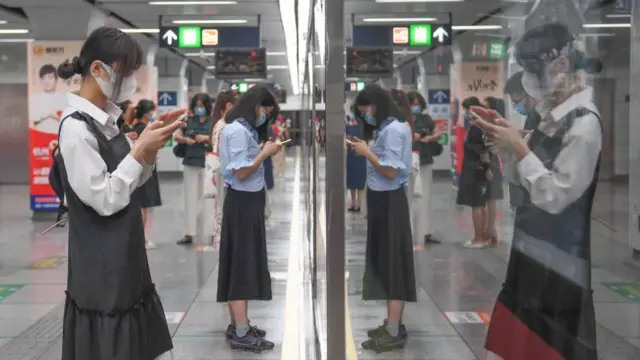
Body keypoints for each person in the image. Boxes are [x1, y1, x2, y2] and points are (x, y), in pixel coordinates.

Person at [53, 26, 185, 360]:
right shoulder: (76, 129)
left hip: (125, 252)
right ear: (97, 69)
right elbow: (105, 198)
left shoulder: (108, 121)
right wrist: (138, 150)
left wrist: (150, 149)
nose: (129, 81)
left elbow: (130, 184)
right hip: (100, 264)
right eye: (124, 72)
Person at [474, 22, 602, 360]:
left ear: (561, 67)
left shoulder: (584, 125)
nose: (530, 81)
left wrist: (519, 148)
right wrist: (507, 143)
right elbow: (524, 180)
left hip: (560, 264)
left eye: (534, 70)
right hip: (530, 252)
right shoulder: (551, 116)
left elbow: (554, 196)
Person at [349, 84, 416, 353]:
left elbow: (390, 172)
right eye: (361, 112)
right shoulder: (385, 130)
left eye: (367, 109)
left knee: (393, 264)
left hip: (390, 202)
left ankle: (394, 329)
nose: (365, 115)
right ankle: (391, 322)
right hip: (380, 201)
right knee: (384, 262)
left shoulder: (394, 130)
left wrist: (367, 153)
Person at [217, 84, 282, 352]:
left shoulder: (242, 130)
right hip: (243, 203)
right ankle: (241, 332)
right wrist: (264, 155)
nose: (265, 116)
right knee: (242, 266)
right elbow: (242, 172)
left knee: (242, 262)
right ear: (254, 104)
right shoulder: (238, 131)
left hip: (247, 202)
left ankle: (240, 325)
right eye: (265, 110)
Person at [175, 93, 214, 245]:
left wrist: (203, 138)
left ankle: (210, 232)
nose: (199, 108)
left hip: (208, 162)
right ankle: (189, 233)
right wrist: (186, 140)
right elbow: (177, 136)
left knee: (209, 199)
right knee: (189, 198)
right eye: (197, 105)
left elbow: (218, 137)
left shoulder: (213, 121)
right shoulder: (189, 120)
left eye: (202, 105)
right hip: (190, 161)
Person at [456, 96, 493, 248]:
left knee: (476, 204)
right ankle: (482, 236)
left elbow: (484, 151)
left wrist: (487, 168)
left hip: (475, 169)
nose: (464, 113)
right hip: (478, 168)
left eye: (466, 109)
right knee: (481, 203)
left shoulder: (477, 129)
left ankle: (478, 238)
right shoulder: (479, 127)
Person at [407, 91, 444, 244]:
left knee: (426, 197)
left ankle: (425, 231)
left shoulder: (426, 119)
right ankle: (409, 231)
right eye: (412, 104)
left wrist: (430, 137)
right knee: (409, 197)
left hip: (425, 160)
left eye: (417, 104)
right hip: (408, 161)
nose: (415, 107)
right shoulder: (403, 120)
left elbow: (438, 133)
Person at [503, 71, 543, 209]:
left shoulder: (543, 119)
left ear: (529, 92)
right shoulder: (533, 117)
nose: (518, 107)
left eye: (517, 102)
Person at [132, 99, 163, 250]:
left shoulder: (137, 128)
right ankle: (141, 240)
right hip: (143, 169)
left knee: (142, 206)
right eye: (151, 111)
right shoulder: (143, 130)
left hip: (141, 169)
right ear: (146, 113)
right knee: (142, 206)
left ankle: (140, 239)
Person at [209, 89, 236, 249]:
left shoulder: (219, 124)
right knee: (223, 210)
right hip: (224, 173)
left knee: (221, 210)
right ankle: (223, 243)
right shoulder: (224, 126)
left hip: (220, 172)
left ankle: (222, 242)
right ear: (228, 105)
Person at [482, 97, 506, 244]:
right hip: (490, 163)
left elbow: (489, 148)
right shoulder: (486, 125)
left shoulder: (494, 127)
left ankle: (491, 229)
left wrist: (488, 167)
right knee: (488, 199)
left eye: (486, 107)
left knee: (490, 198)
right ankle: (489, 229)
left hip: (491, 164)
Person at [30, 64, 68, 133]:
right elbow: (31, 120)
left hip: (59, 137)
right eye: (43, 78)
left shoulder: (65, 97)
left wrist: (54, 114)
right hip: (40, 136)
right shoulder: (34, 98)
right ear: (40, 80)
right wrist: (48, 113)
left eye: (50, 77)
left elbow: (69, 119)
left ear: (56, 79)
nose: (47, 81)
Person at [346, 109, 366, 211]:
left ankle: (359, 204)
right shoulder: (347, 126)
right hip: (351, 155)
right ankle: (353, 203)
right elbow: (344, 138)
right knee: (352, 182)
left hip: (361, 155)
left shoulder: (363, 127)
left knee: (361, 182)